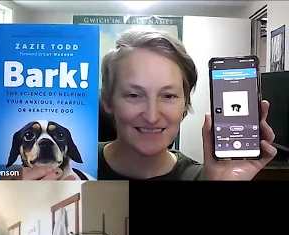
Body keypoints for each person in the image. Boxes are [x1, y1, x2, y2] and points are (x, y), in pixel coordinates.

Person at [20, 28, 277, 181]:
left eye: (168, 96)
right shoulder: (66, 169)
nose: (152, 116)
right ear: (107, 102)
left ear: (185, 107)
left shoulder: (207, 177)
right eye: (134, 95)